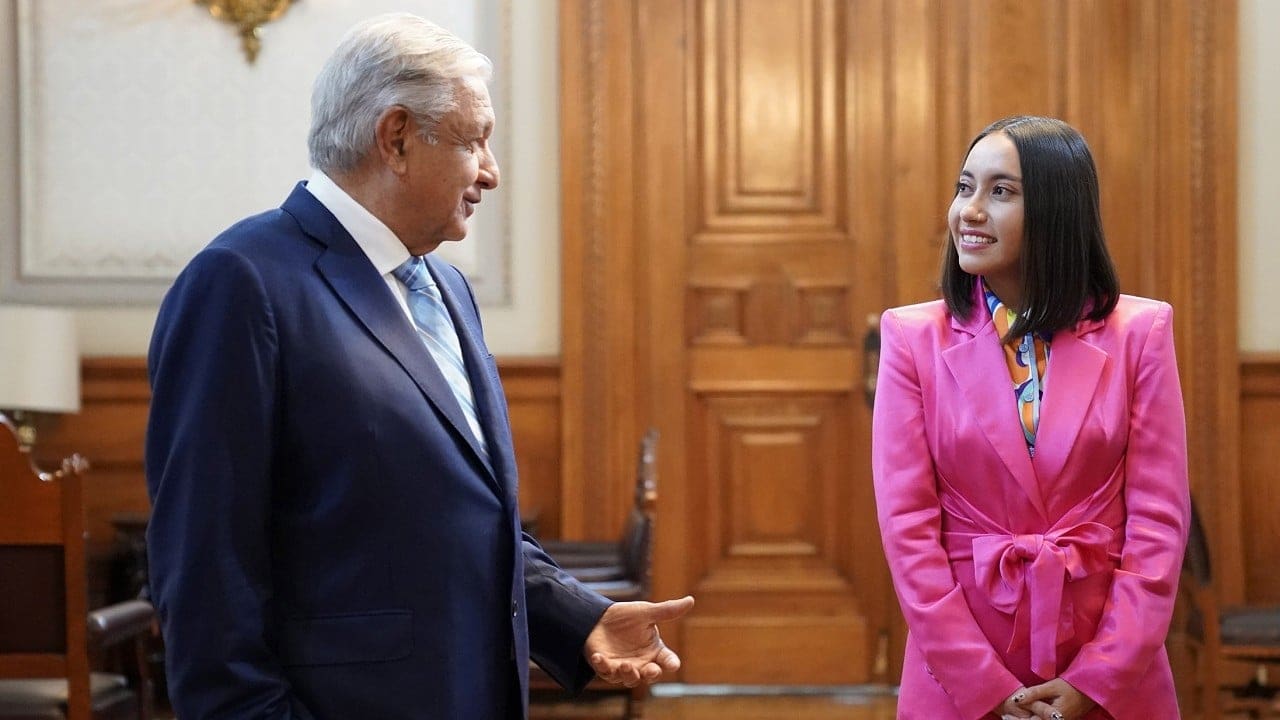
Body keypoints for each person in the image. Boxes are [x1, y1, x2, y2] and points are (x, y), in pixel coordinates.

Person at [144, 13, 693, 720]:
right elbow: (204, 567)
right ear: (397, 138)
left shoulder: (447, 288)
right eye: (475, 141)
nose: (491, 172)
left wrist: (577, 616)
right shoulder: (240, 282)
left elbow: (460, 513)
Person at [871, 116, 1189, 720]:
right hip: (958, 674)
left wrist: (1098, 678)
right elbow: (907, 530)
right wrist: (984, 686)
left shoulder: (1141, 333)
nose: (969, 211)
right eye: (965, 187)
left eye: (1001, 191)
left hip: (1113, 671)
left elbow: (1159, 526)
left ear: (1056, 210)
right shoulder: (911, 337)